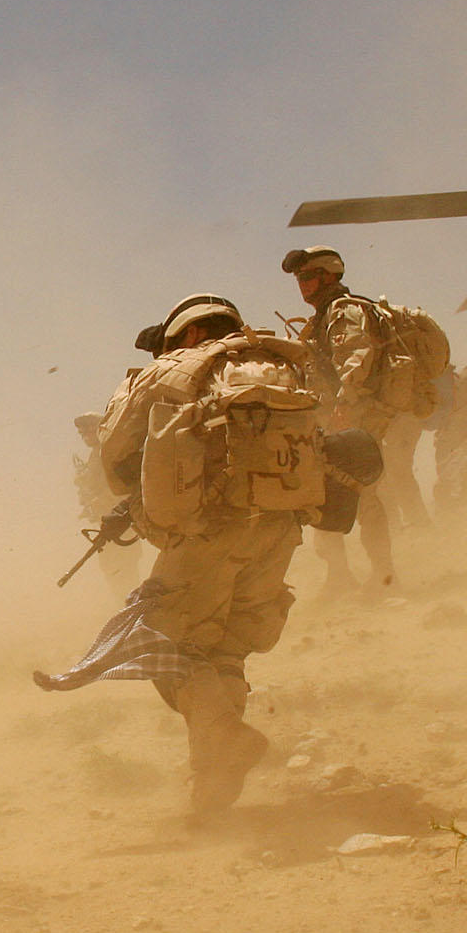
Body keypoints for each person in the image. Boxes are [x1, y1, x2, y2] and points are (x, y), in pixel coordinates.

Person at [65, 294, 318, 817]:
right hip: (278, 529)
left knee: (167, 647)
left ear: (187, 334)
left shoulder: (174, 369)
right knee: (224, 650)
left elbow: (114, 457)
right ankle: (213, 784)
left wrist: (147, 504)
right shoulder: (278, 363)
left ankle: (223, 740)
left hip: (208, 533)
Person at [282, 246, 397, 592]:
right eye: (299, 279)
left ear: (329, 275)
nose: (302, 285)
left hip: (352, 417)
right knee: (322, 498)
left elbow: (355, 357)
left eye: (307, 277)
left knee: (366, 497)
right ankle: (339, 576)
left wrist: (344, 406)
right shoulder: (322, 317)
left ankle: (384, 575)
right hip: (330, 419)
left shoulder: (343, 311)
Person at [73, 411, 142, 595]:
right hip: (109, 525)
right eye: (82, 431)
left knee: (124, 574)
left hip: (121, 525)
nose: (85, 434)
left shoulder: (110, 451)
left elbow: (125, 489)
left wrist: (101, 500)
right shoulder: (97, 454)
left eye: (89, 428)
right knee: (114, 572)